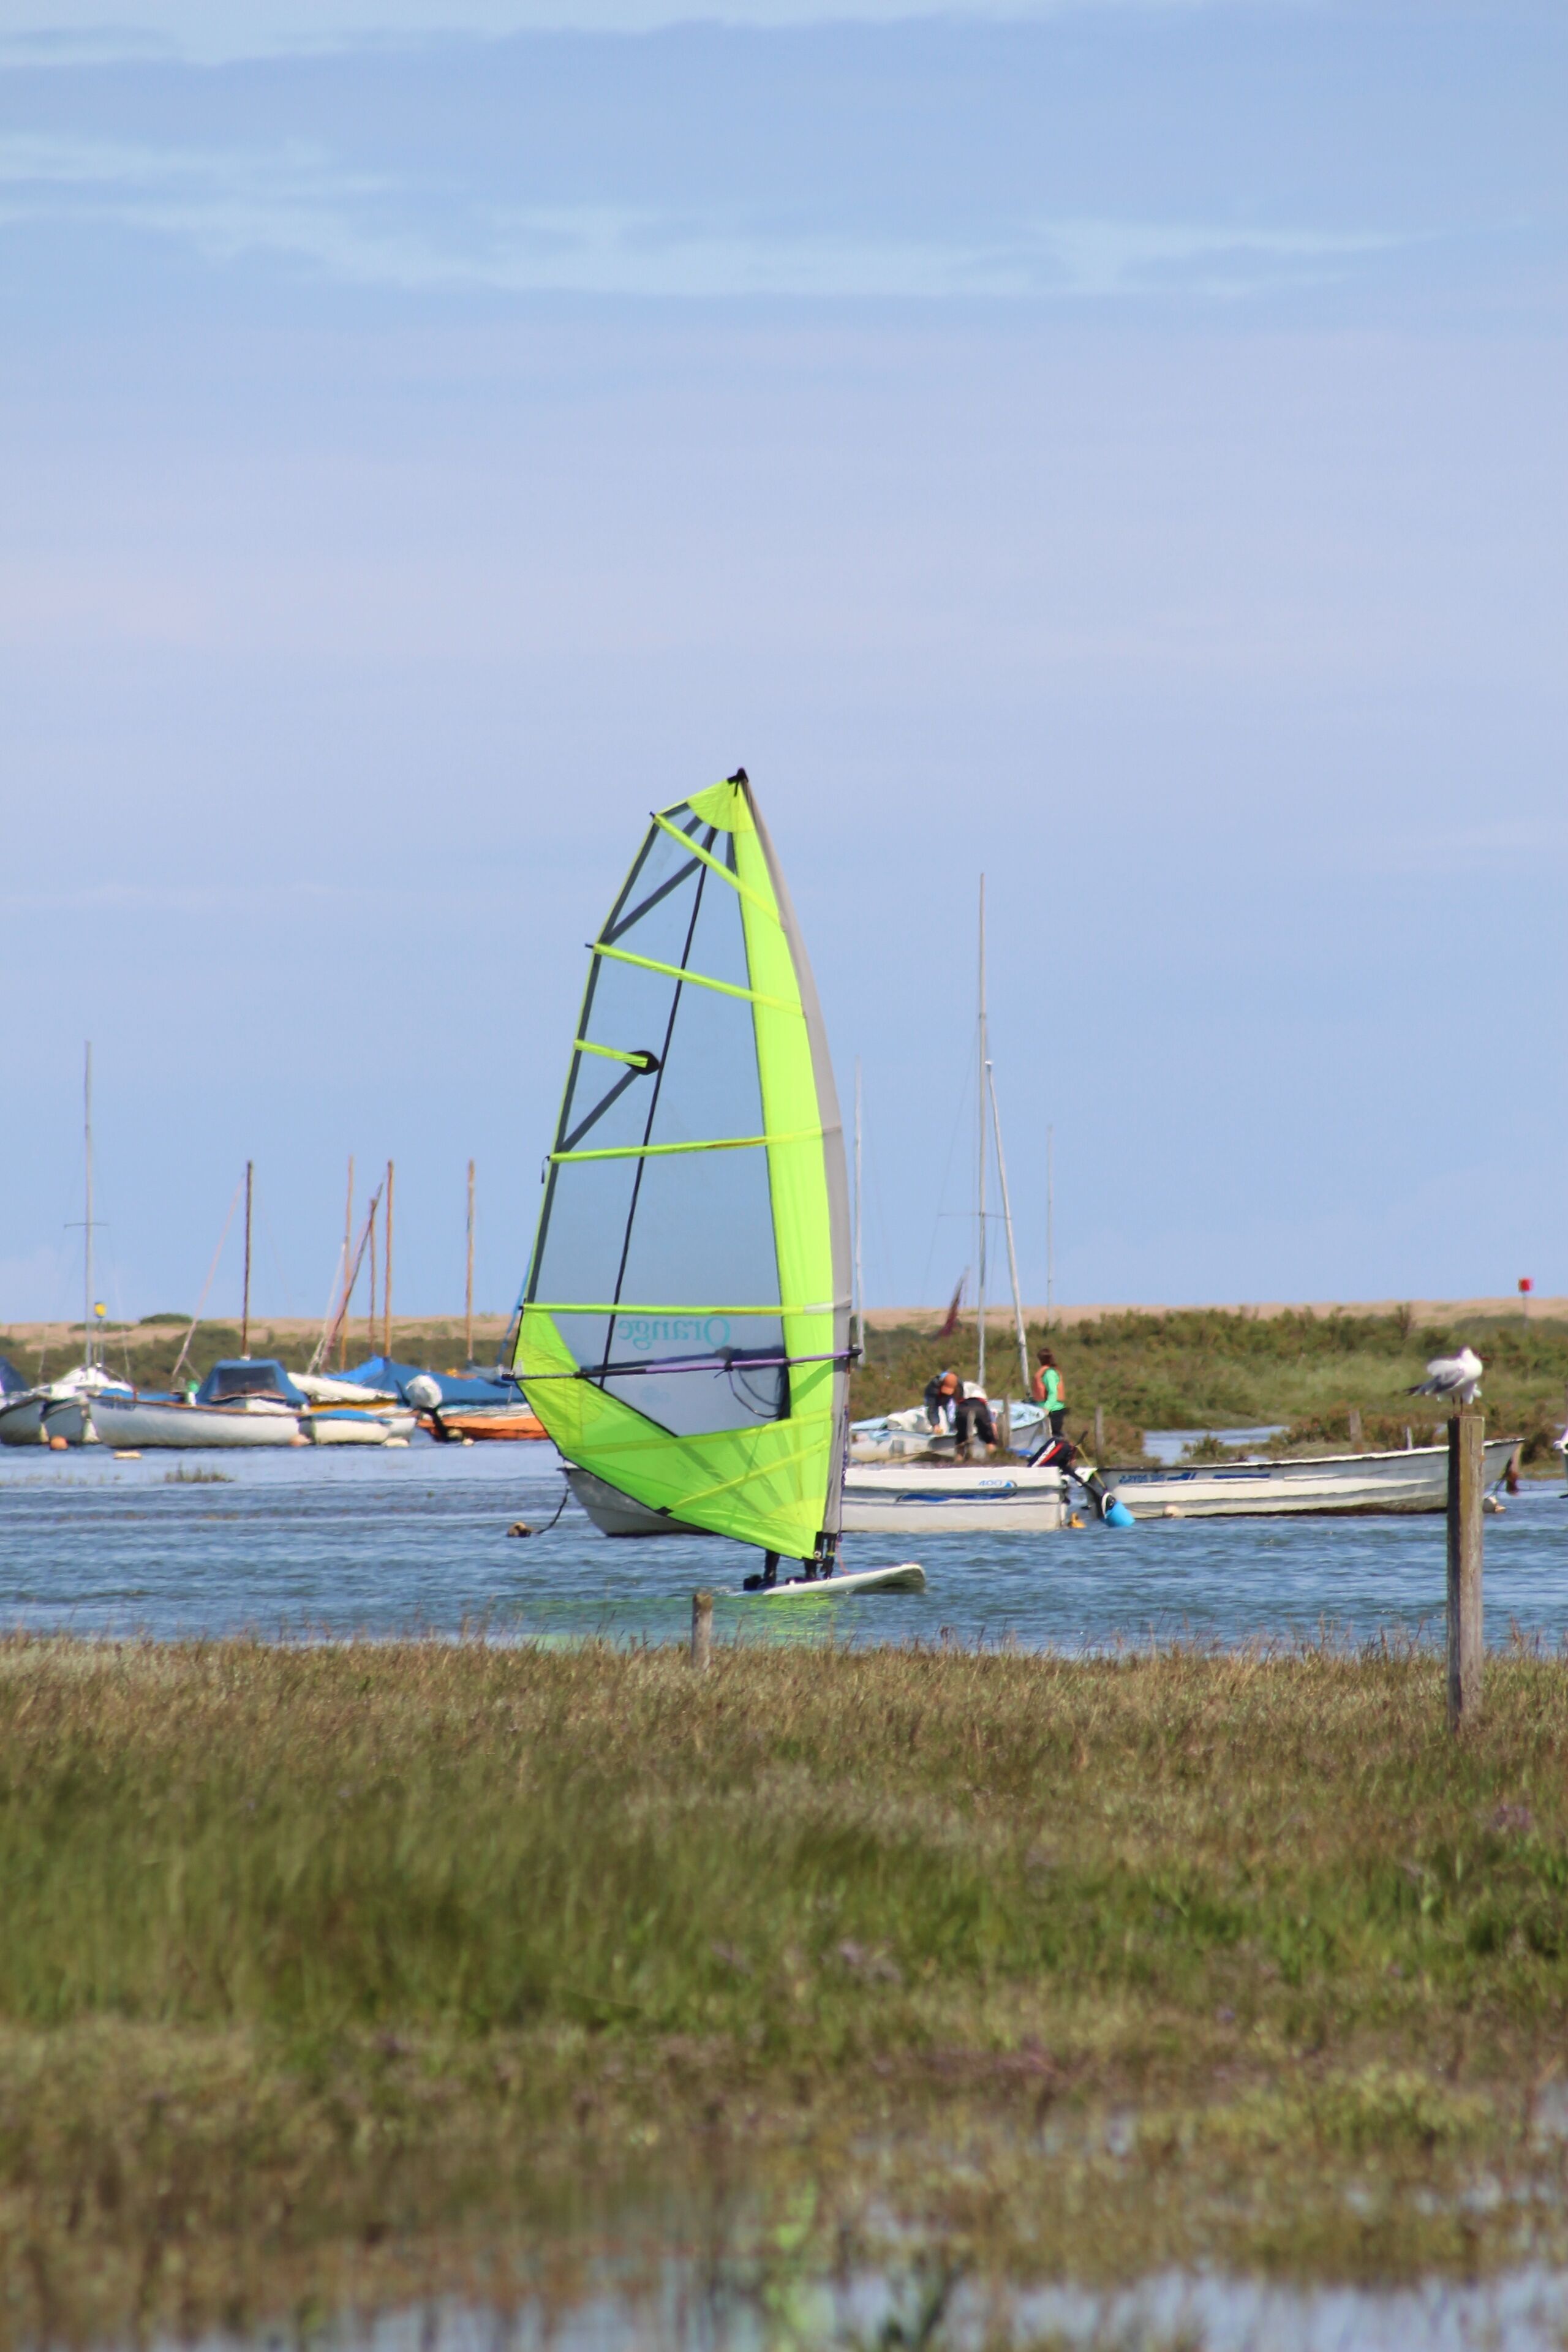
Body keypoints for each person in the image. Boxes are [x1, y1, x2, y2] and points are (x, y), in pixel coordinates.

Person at [1032, 1347, 1067, 1437]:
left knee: (1054, 1437)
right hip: (1046, 1409)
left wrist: (1047, 1408)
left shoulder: (1049, 1374)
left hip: (1054, 1411)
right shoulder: (1048, 1372)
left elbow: (1053, 1393)